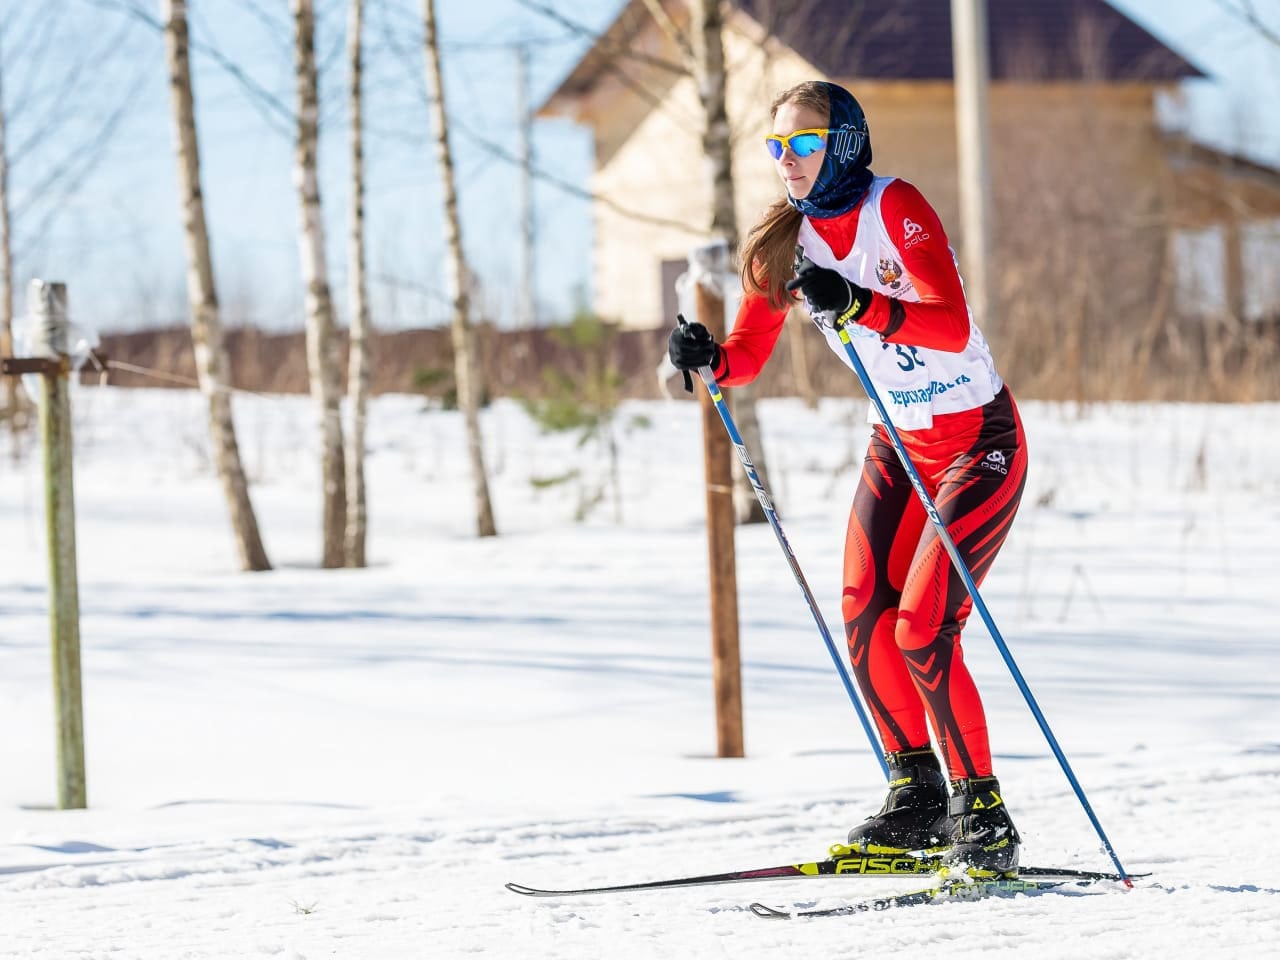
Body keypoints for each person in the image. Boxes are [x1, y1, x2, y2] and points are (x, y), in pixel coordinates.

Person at [667, 81, 1028, 877]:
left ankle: (983, 809)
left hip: (976, 440)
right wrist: (709, 359)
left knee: (924, 627)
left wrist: (858, 302)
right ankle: (917, 797)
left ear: (847, 141)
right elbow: (748, 355)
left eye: (803, 142)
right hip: (898, 442)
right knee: (867, 617)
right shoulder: (782, 244)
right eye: (776, 147)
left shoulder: (895, 206)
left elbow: (950, 322)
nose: (788, 160)